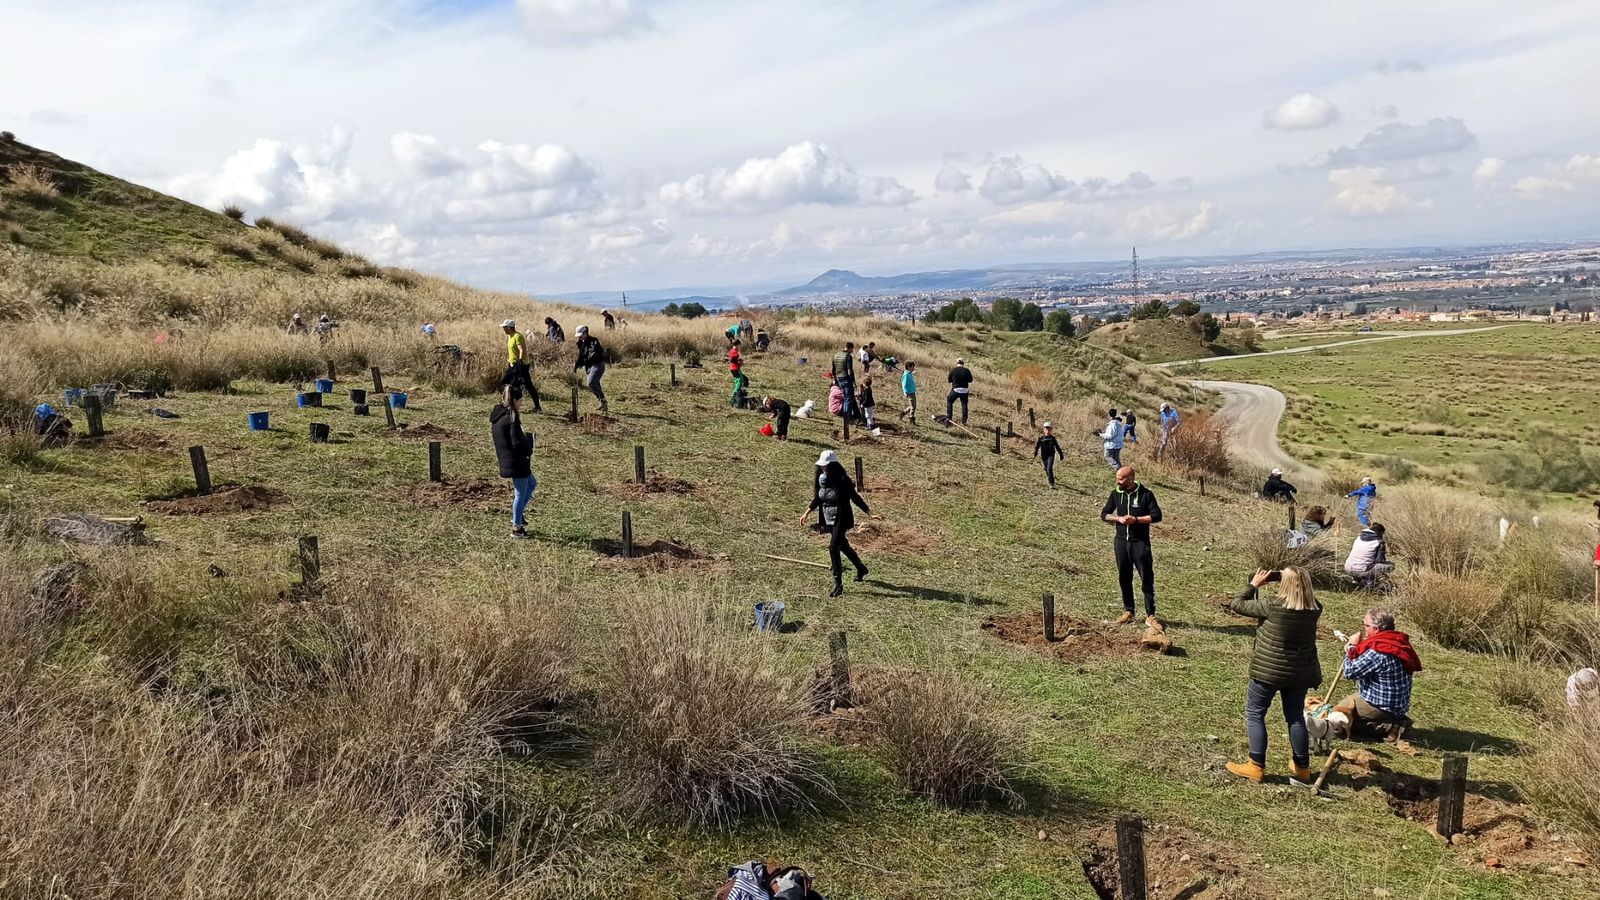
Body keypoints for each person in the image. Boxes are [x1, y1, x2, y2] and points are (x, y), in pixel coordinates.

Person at [1224, 567, 1323, 784]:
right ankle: (1302, 767)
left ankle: (1256, 765)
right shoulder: (1315, 609)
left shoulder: (1272, 606)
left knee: (1255, 713)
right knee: (1295, 716)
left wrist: (1254, 584)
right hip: (1299, 673)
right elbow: (1300, 597)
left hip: (1268, 671)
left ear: (1285, 585)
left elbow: (1237, 604)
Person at [1334, 607, 1421, 741]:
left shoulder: (1380, 651)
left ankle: (1391, 727)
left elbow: (1350, 672)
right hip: (1395, 703)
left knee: (1339, 717)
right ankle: (1392, 721)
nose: (1364, 629)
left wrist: (1351, 647)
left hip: (1382, 705)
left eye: (1366, 626)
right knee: (1344, 707)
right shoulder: (1396, 641)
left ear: (1377, 629)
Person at [802, 450, 870, 597]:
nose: (823, 469)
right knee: (842, 545)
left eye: (826, 466)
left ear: (833, 466)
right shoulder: (821, 479)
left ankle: (838, 585)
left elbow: (855, 497)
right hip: (828, 517)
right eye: (822, 466)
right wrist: (807, 512)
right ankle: (861, 568)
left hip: (842, 517)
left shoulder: (843, 480)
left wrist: (869, 512)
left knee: (833, 547)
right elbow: (819, 498)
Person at [1101, 465, 1162, 625]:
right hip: (1121, 542)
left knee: (1146, 578)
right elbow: (1104, 514)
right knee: (1124, 577)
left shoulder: (1146, 495)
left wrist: (1136, 520)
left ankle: (1151, 615)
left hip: (1140, 543)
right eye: (1117, 478)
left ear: (1130, 479)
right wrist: (1118, 519)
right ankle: (1129, 611)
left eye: (1120, 479)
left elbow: (1157, 516)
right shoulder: (1115, 494)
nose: (1117, 481)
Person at [490, 388, 536, 539]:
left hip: (509, 459)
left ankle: (519, 514)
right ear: (514, 401)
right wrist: (529, 442)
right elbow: (517, 443)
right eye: (520, 400)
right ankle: (517, 527)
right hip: (516, 462)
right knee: (520, 493)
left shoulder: (499, 415)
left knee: (532, 483)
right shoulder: (512, 417)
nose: (522, 403)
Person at [499, 319, 542, 412]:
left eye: (504, 327)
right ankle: (511, 405)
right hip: (512, 364)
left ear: (509, 328)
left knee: (525, 386)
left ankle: (535, 407)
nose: (503, 329)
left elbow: (521, 349)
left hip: (520, 365)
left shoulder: (518, 336)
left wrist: (519, 362)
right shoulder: (510, 336)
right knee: (507, 383)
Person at [573, 325, 608, 413]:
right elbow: (580, 355)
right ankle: (602, 403)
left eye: (581, 335)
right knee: (596, 384)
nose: (580, 337)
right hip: (588, 367)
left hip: (598, 365)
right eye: (579, 336)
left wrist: (594, 354)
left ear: (586, 333)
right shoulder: (580, 343)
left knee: (591, 383)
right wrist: (576, 365)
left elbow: (599, 351)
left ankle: (603, 400)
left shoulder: (594, 341)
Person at [831, 342, 857, 420]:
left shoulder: (836, 355)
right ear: (850, 348)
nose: (852, 351)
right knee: (848, 398)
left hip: (839, 378)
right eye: (852, 349)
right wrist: (853, 381)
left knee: (844, 396)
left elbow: (833, 369)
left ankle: (848, 414)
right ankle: (847, 416)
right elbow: (850, 370)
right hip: (846, 378)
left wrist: (834, 378)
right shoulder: (848, 356)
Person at [1034, 422, 1064, 488]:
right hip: (1044, 456)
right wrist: (1035, 453)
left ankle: (1051, 483)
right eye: (1046, 429)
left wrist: (1061, 455)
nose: (1047, 431)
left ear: (1051, 430)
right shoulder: (1041, 438)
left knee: (1049, 468)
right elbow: (1037, 446)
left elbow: (1057, 446)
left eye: (1049, 429)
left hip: (1051, 455)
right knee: (1047, 469)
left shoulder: (1052, 438)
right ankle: (1050, 478)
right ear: (1043, 430)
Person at [946, 357, 973, 425]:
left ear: (957, 363)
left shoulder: (953, 370)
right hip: (965, 390)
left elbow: (949, 380)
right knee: (964, 404)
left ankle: (949, 417)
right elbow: (970, 380)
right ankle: (964, 420)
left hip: (956, 389)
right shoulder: (967, 370)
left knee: (949, 401)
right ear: (963, 363)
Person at [728, 340, 748, 407]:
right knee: (739, 381)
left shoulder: (732, 351)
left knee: (740, 379)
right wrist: (739, 361)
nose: (739, 347)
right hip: (734, 368)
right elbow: (732, 359)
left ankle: (738, 393)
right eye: (739, 345)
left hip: (734, 368)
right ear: (737, 345)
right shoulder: (734, 352)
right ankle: (735, 394)